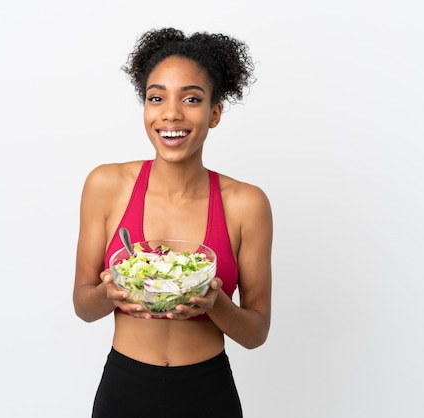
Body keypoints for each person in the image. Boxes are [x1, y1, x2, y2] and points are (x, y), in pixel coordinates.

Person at [73, 27, 273, 418]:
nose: (171, 114)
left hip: (208, 393)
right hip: (124, 390)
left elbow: (256, 332)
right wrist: (109, 293)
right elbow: (83, 304)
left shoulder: (247, 204)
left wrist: (216, 304)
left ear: (214, 113)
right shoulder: (106, 185)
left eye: (192, 99)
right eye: (156, 98)